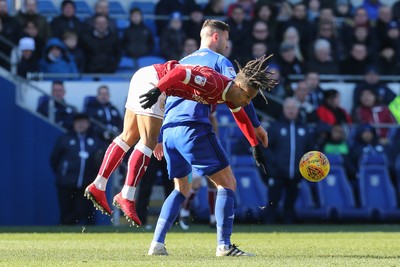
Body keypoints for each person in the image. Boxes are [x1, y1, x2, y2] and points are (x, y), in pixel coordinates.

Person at [84, 46, 274, 229]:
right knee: (148, 140)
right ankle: (126, 195)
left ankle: (99, 184)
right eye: (248, 96)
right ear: (239, 85)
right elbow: (180, 74)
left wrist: (254, 145)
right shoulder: (215, 82)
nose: (248, 102)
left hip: (144, 76)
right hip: (157, 80)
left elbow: (239, 113)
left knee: (128, 136)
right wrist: (158, 90)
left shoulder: (229, 94)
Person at [147, 20, 271, 257]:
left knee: (180, 188)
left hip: (170, 130)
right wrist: (255, 126)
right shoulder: (219, 62)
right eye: (226, 38)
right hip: (193, 128)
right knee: (227, 183)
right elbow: (239, 95)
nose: (227, 44)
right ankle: (224, 246)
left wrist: (160, 136)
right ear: (216, 37)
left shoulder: (183, 61)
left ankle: (157, 244)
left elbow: (164, 99)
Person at [262, 97, 313, 224]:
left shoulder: (304, 128)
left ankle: (289, 227)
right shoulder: (275, 127)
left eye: (293, 108)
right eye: (288, 108)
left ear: (297, 110)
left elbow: (309, 150)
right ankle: (267, 227)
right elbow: (266, 148)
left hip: (296, 174)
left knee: (290, 203)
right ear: (284, 109)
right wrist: (275, 165)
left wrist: (303, 170)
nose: (291, 111)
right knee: (273, 200)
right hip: (277, 173)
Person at [50, 113, 104, 225]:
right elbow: (54, 159)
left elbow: (101, 160)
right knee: (66, 210)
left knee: (83, 210)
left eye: (83, 122)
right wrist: (63, 173)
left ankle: (74, 229)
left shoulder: (95, 140)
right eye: (78, 122)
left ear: (88, 124)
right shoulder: (65, 139)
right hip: (66, 183)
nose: (81, 124)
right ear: (73, 124)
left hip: (86, 184)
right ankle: (63, 233)